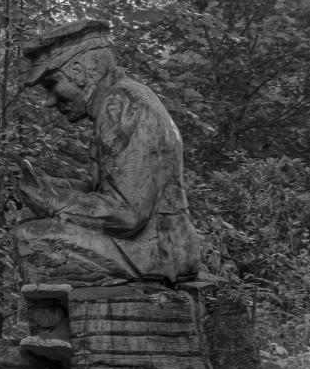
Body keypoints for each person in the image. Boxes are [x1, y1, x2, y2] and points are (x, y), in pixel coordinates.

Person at [12, 19, 200, 287]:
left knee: (30, 238)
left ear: (78, 72)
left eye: (52, 84)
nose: (49, 101)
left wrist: (54, 203)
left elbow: (127, 214)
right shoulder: (118, 100)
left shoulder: (122, 104)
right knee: (31, 227)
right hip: (159, 244)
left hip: (158, 250)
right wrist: (58, 187)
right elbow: (112, 189)